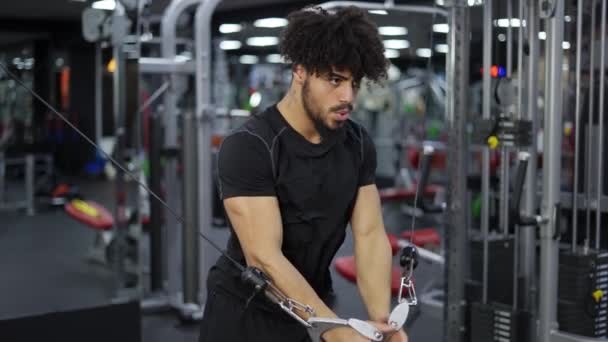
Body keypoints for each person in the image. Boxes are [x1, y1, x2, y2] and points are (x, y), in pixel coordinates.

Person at [199, 5, 408, 342]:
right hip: (246, 314)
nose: (348, 97)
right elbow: (264, 259)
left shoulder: (356, 143)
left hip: (309, 307)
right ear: (300, 71)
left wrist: (380, 322)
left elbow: (369, 235)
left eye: (354, 83)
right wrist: (338, 332)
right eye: (335, 80)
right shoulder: (250, 146)